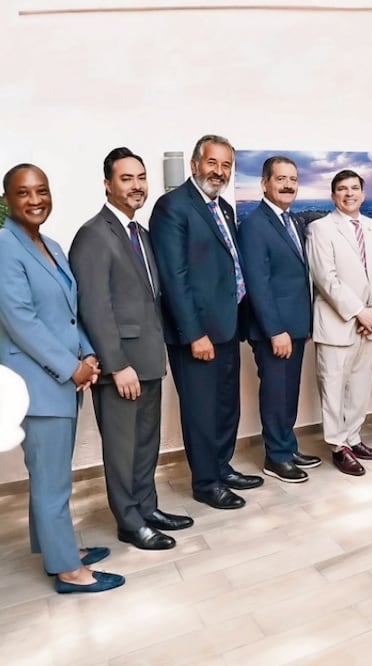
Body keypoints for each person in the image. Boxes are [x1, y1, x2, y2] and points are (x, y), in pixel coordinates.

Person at [0, 163, 124, 593]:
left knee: (51, 476)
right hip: (37, 385)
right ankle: (69, 570)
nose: (35, 200)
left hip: (60, 381)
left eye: (41, 190)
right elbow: (21, 321)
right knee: (52, 481)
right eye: (23, 193)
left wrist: (87, 351)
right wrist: (71, 367)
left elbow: (71, 313)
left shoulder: (49, 244)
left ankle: (57, 546)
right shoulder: (4, 247)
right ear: (6, 200)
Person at [69, 147, 194, 551]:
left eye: (141, 177)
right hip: (121, 366)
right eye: (127, 178)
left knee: (146, 444)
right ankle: (128, 520)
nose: (137, 185)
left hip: (149, 359)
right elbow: (93, 307)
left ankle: (147, 506)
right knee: (122, 449)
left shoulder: (140, 233)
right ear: (107, 184)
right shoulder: (93, 234)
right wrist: (116, 364)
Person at [150, 134, 262, 510]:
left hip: (227, 326)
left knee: (226, 404)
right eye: (212, 163)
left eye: (226, 165)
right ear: (195, 164)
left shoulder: (223, 208)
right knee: (201, 409)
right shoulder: (173, 207)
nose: (219, 171)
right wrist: (194, 333)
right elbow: (174, 277)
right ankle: (206, 481)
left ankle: (222, 466)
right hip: (197, 333)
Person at [236, 156, 322, 484]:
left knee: (288, 392)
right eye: (280, 179)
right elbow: (258, 284)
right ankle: (276, 457)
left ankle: (288, 445)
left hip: (296, 327)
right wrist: (276, 330)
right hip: (275, 331)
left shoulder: (292, 221)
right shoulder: (256, 224)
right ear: (264, 183)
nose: (287, 185)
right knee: (275, 394)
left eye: (293, 180)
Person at [308, 170, 372, 476]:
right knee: (333, 387)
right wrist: (360, 312)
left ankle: (354, 438)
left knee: (359, 387)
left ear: (363, 193)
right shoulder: (320, 229)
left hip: (371, 322)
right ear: (333, 196)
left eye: (354, 188)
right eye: (342, 189)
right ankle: (337, 446)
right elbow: (325, 279)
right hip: (338, 322)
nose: (349, 194)